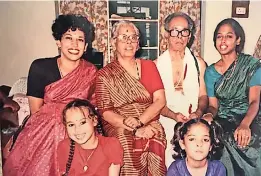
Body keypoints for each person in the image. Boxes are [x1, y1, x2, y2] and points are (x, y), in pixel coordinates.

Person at [3, 14, 97, 176]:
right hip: (45, 128)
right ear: (58, 42)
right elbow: (36, 112)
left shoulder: (90, 71)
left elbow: (92, 106)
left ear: (86, 45)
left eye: (80, 40)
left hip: (79, 127)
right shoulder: (40, 67)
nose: (74, 44)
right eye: (69, 38)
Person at [95, 20, 167, 175]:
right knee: (123, 136)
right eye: (123, 37)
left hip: (147, 118)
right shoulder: (104, 74)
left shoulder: (149, 66)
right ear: (114, 42)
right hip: (119, 122)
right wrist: (130, 126)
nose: (129, 42)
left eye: (133, 37)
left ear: (138, 43)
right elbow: (105, 111)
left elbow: (160, 100)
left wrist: (140, 122)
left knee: (157, 131)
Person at [204, 18, 261, 176]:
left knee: (249, 142)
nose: (223, 41)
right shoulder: (210, 72)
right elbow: (213, 106)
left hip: (250, 117)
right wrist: (208, 114)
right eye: (219, 36)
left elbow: (254, 101)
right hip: (223, 118)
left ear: (238, 40)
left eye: (229, 36)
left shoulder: (251, 66)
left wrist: (245, 124)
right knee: (216, 138)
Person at [155, 12, 208, 167]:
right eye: (174, 31)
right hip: (165, 119)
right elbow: (156, 103)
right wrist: (173, 115)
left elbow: (203, 96)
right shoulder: (155, 65)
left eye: (184, 31)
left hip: (193, 119)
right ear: (166, 34)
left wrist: (198, 113)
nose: (179, 36)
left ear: (189, 36)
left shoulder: (199, 64)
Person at [58, 99, 123, 176]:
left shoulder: (110, 145)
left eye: (82, 122)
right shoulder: (64, 146)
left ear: (94, 120)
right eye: (71, 125)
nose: (77, 129)